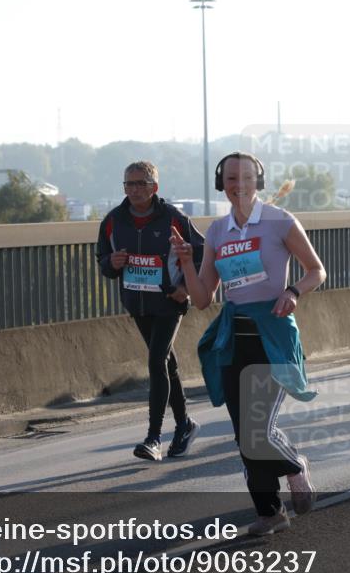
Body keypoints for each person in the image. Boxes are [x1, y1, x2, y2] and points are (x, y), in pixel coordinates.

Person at [172, 152, 325, 535]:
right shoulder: (218, 231)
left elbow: (316, 270)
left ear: (259, 182)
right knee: (245, 435)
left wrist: (293, 291)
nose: (238, 185)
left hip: (272, 334)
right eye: (230, 179)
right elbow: (204, 298)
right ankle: (270, 512)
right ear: (221, 184)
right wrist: (188, 263)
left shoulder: (280, 221)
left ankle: (295, 465)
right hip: (234, 338)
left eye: (246, 178)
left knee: (259, 430)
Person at [97, 161, 203, 461]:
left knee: (156, 361)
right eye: (128, 184)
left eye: (140, 183)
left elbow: (202, 252)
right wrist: (111, 263)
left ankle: (153, 437)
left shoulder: (173, 218)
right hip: (138, 303)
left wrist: (185, 287)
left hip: (170, 302)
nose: (134, 190)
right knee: (167, 363)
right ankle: (184, 424)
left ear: (154, 187)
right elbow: (102, 259)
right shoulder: (113, 220)